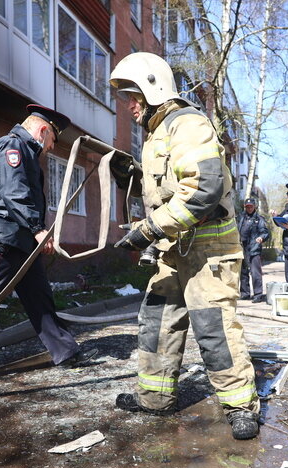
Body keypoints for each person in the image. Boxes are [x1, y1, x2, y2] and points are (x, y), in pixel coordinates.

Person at [109, 52, 261, 440]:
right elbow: (173, 183)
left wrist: (148, 229)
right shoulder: (159, 134)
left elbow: (203, 188)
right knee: (158, 321)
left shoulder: (188, 123)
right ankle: (155, 399)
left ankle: (241, 405)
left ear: (153, 89)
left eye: (133, 96)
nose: (129, 106)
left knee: (213, 327)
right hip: (174, 248)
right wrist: (136, 173)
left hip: (208, 247)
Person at [0, 104, 95, 386]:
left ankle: (66, 352)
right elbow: (14, 193)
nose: (50, 148)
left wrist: (35, 233)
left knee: (40, 299)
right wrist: (38, 229)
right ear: (43, 130)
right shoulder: (11, 147)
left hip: (22, 241)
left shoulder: (27, 153)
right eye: (52, 141)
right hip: (6, 240)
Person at [237, 197, 269, 303]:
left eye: (251, 206)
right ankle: (245, 293)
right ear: (244, 207)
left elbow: (265, 232)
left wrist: (261, 238)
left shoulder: (259, 219)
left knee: (255, 273)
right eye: (247, 207)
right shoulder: (241, 217)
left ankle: (258, 294)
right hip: (242, 248)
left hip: (254, 248)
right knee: (243, 272)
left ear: (254, 206)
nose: (249, 208)